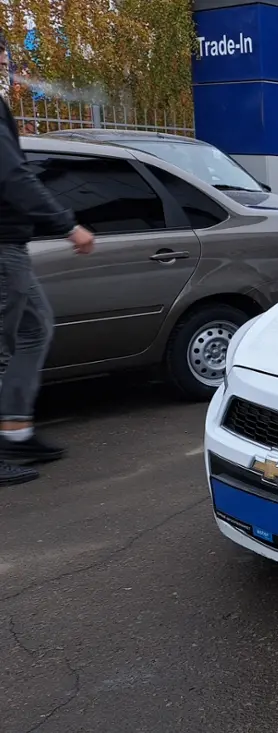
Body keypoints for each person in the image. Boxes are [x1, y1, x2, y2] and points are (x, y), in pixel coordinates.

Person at [0, 37, 95, 486]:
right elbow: (12, 176)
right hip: (2, 249)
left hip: (11, 246)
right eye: (1, 59)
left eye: (6, 58)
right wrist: (66, 224)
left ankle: (15, 429)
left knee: (35, 328)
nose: (7, 65)